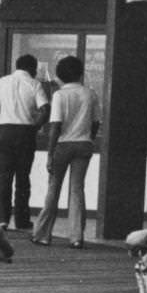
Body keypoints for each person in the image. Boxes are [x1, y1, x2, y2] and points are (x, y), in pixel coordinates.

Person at [34, 54, 100, 247]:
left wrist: (50, 153)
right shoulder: (90, 94)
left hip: (63, 144)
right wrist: (88, 137)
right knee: (77, 189)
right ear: (80, 73)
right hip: (84, 144)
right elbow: (96, 122)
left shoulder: (59, 95)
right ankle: (76, 237)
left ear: (60, 75)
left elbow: (55, 126)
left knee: (53, 188)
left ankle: (42, 234)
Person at [0, 52, 47, 231]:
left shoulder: (2, 81)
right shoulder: (34, 84)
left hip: (4, 132)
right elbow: (45, 109)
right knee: (23, 178)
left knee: (3, 177)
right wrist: (35, 127)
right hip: (25, 132)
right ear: (32, 68)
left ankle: (3, 219)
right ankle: (22, 220)